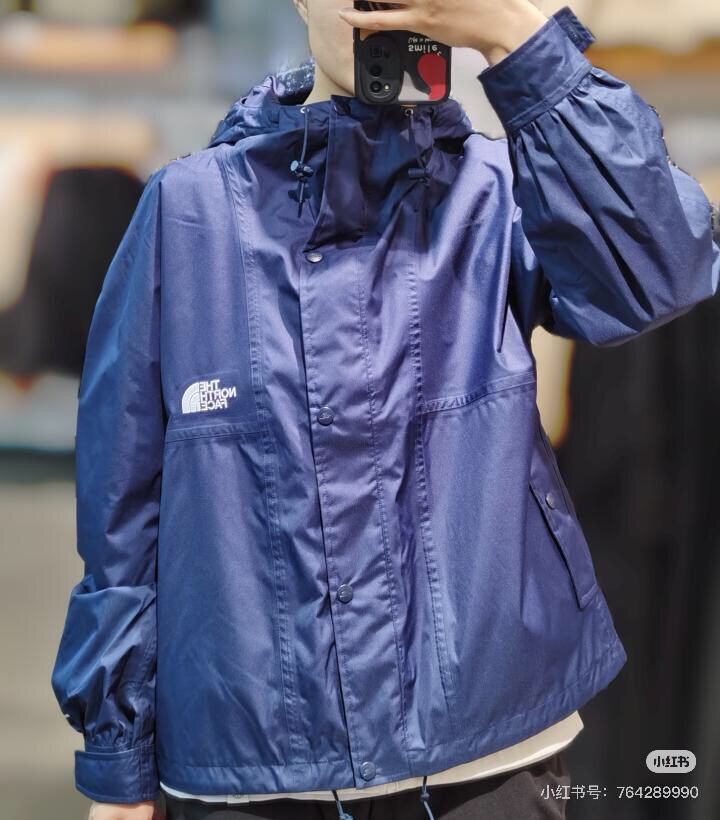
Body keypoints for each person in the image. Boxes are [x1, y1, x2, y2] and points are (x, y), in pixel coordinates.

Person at [50, 1, 720, 819]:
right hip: (250, 770)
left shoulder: (499, 191)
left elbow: (659, 270)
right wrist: (118, 760)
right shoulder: (187, 211)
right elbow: (122, 510)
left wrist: (519, 38)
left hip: (489, 751)